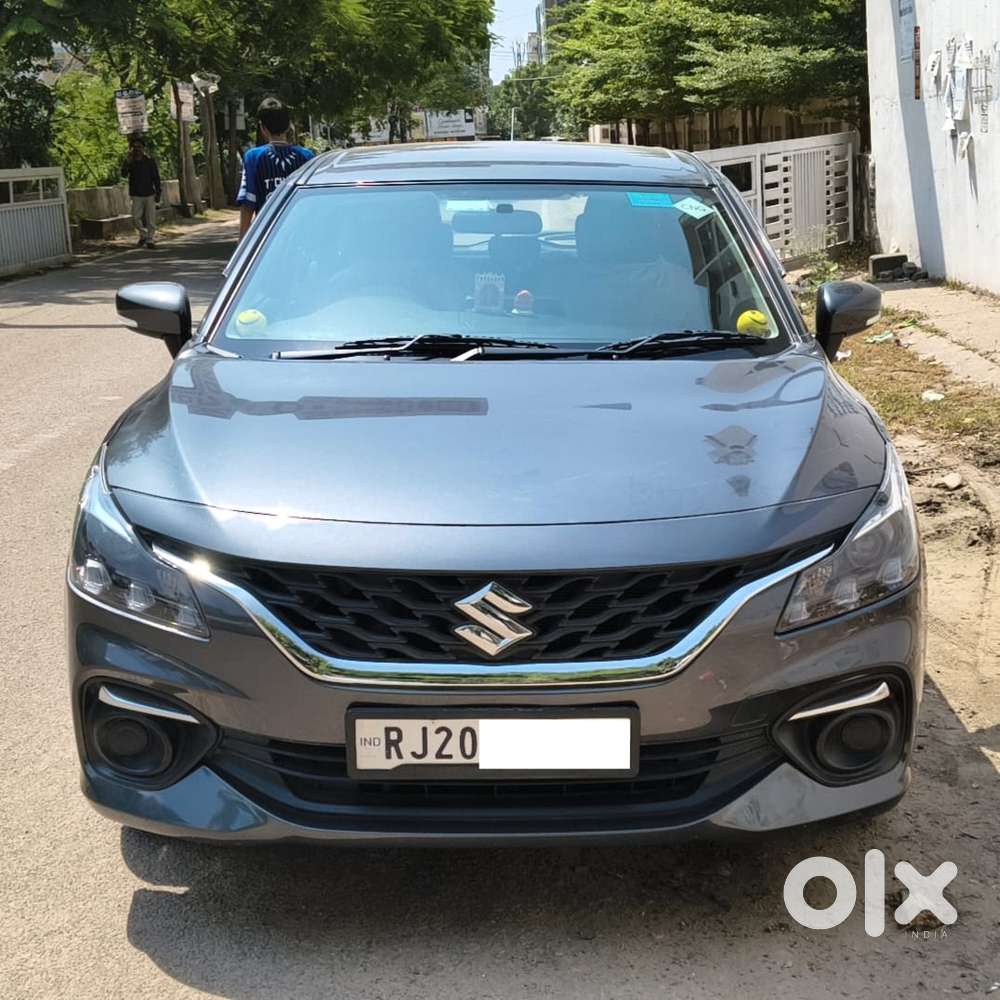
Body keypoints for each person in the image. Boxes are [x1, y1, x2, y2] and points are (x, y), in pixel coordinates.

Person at [238, 97, 314, 238]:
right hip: (302, 235)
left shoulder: (253, 158)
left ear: (262, 128)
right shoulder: (306, 157)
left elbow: (248, 204)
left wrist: (242, 244)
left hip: (267, 240)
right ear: (288, 125)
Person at [121, 138, 162, 248]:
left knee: (150, 218)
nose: (137, 149)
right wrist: (127, 163)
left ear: (143, 148)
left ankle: (150, 239)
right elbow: (123, 175)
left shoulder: (149, 161)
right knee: (135, 218)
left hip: (149, 193)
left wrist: (158, 192)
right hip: (136, 194)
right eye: (135, 147)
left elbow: (156, 178)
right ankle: (143, 234)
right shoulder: (130, 161)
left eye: (139, 147)